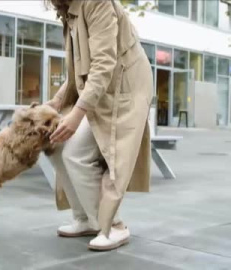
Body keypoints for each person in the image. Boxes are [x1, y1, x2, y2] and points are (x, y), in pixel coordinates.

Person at [45, 0, 153, 251]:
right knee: (57, 147)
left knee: (76, 153)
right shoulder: (70, 11)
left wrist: (77, 114)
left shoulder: (98, 3)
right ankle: (85, 219)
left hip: (124, 89)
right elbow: (79, 70)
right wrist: (58, 101)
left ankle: (113, 226)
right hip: (102, 89)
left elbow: (104, 63)